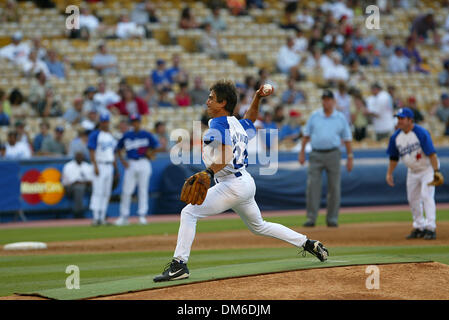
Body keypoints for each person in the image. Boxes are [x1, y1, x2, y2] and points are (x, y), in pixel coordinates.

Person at [153, 80, 329, 282]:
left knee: (189, 212)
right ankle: (307, 243)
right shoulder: (235, 123)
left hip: (231, 185)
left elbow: (226, 153)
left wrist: (209, 172)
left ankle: (179, 265)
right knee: (259, 226)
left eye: (211, 98)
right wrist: (257, 98)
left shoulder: (218, 123)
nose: (207, 102)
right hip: (244, 182)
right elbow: (251, 119)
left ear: (223, 103)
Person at [298, 89, 353, 228]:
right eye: (324, 99)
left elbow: (347, 138)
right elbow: (306, 135)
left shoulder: (340, 117)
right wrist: (302, 152)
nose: (326, 102)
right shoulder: (314, 116)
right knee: (312, 187)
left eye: (328, 99)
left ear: (333, 101)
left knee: (334, 187)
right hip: (316, 154)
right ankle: (311, 218)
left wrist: (350, 156)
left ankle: (332, 218)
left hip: (334, 154)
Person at [386, 108, 443, 240]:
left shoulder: (420, 132)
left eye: (402, 118)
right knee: (412, 199)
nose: (399, 121)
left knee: (426, 195)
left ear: (410, 120)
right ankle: (419, 226)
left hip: (428, 169)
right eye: (398, 118)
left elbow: (431, 153)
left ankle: (430, 227)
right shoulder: (396, 137)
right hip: (412, 171)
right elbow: (394, 157)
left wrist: (436, 171)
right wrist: (389, 173)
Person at [115, 114, 161, 226]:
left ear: (139, 122)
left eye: (136, 121)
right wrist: (122, 161)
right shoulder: (126, 135)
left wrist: (151, 153)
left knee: (143, 190)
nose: (135, 123)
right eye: (133, 121)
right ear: (131, 123)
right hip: (131, 163)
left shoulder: (146, 134)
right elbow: (117, 149)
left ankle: (142, 215)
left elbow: (157, 146)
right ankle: (123, 216)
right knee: (126, 190)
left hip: (144, 162)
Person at [87, 113, 119, 226]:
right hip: (99, 164)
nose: (105, 123)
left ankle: (103, 217)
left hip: (109, 165)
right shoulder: (95, 134)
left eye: (107, 121)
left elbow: (113, 153)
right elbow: (91, 151)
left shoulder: (110, 136)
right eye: (103, 121)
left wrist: (116, 169)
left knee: (106, 192)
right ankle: (96, 218)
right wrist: (95, 166)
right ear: (100, 122)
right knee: (98, 191)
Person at [62, 152, 93, 219]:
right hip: (69, 188)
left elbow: (91, 180)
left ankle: (98, 210)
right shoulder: (69, 166)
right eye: (78, 157)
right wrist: (81, 182)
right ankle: (78, 213)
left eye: (81, 157)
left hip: (85, 186)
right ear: (75, 157)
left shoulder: (87, 166)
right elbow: (70, 182)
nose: (79, 158)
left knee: (96, 188)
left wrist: (84, 182)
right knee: (79, 188)